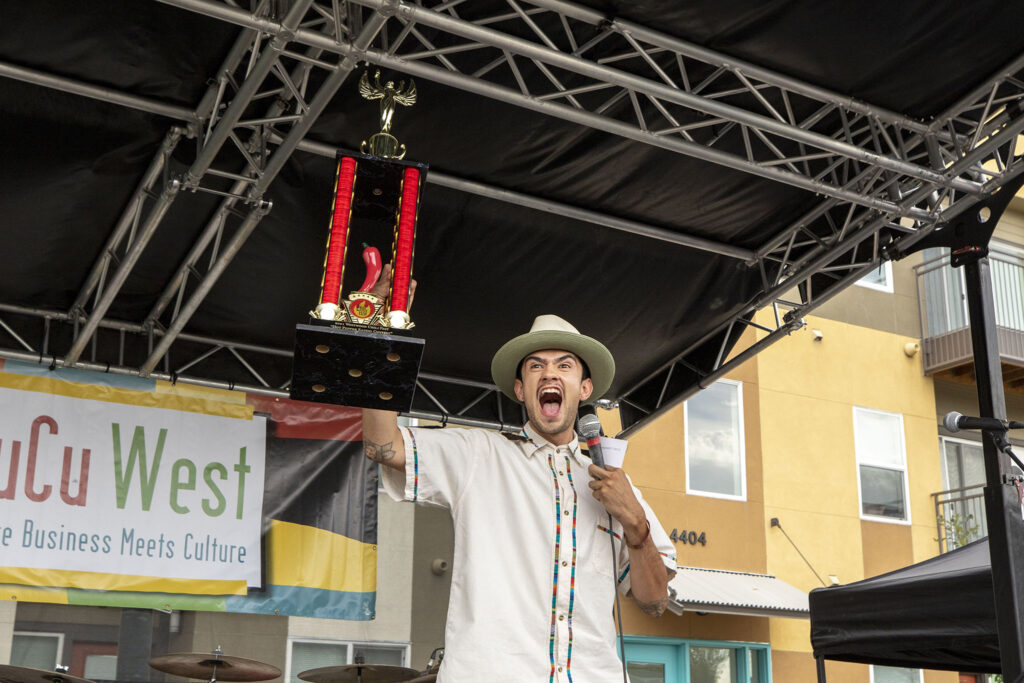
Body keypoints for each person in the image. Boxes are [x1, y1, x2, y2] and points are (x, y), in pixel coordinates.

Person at [363, 312, 676, 682]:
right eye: (535, 366)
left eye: (565, 365)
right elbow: (382, 445)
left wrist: (636, 524)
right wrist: (379, 340)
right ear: (521, 389)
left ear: (585, 388)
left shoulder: (617, 487)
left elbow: (654, 602)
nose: (550, 374)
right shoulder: (479, 454)